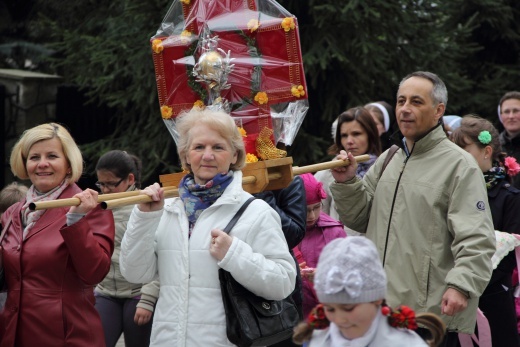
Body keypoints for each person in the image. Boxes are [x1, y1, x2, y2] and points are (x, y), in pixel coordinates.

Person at [329, 71, 495, 346]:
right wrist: (347, 183)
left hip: (427, 317)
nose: (405, 109)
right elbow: (359, 218)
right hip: (378, 309)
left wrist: (461, 286)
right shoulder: (389, 158)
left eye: (416, 102)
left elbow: (476, 238)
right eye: (401, 101)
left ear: (438, 110)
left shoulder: (460, 166)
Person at [119, 109, 296, 346]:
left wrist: (234, 254)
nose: (208, 155)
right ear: (186, 155)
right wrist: (144, 217)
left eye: (218, 147)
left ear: (235, 155)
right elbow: (134, 274)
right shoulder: (167, 209)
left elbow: (283, 283)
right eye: (199, 147)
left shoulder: (256, 212)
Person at [0, 122, 115, 346]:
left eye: (52, 156)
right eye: (34, 157)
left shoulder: (90, 208)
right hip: (14, 334)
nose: (42, 164)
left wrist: (75, 221)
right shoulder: (13, 213)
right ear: (24, 164)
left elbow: (95, 273)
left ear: (69, 164)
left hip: (68, 337)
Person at [293, 237, 446, 347]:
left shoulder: (404, 343)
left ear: (377, 299)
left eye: (348, 308)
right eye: (330, 309)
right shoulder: (321, 338)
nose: (339, 319)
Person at [451, 115, 520, 346]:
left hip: (492, 296)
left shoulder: (510, 197)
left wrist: (472, 281)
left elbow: (510, 256)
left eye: (464, 150)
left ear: (486, 151)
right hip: (453, 294)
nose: (457, 158)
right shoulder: (451, 194)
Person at [94, 150, 159, 347]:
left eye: (111, 184)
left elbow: (160, 256)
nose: (105, 190)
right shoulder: (96, 207)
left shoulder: (146, 207)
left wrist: (148, 298)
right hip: (105, 292)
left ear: (130, 179)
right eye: (101, 184)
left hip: (138, 295)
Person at [315, 106, 381, 235]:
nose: (349, 141)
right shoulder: (328, 172)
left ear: (370, 135)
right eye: (344, 135)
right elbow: (319, 219)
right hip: (339, 247)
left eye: (356, 134)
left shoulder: (384, 168)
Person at [294, 173, 345, 318]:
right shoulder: (282, 230)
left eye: (316, 208)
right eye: (305, 209)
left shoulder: (334, 232)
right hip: (293, 317)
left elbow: (349, 274)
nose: (311, 216)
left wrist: (325, 276)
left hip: (329, 315)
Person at [498, 91, 520, 188]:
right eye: (506, 112)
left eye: (516, 111)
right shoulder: (494, 147)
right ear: (501, 115)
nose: (511, 116)